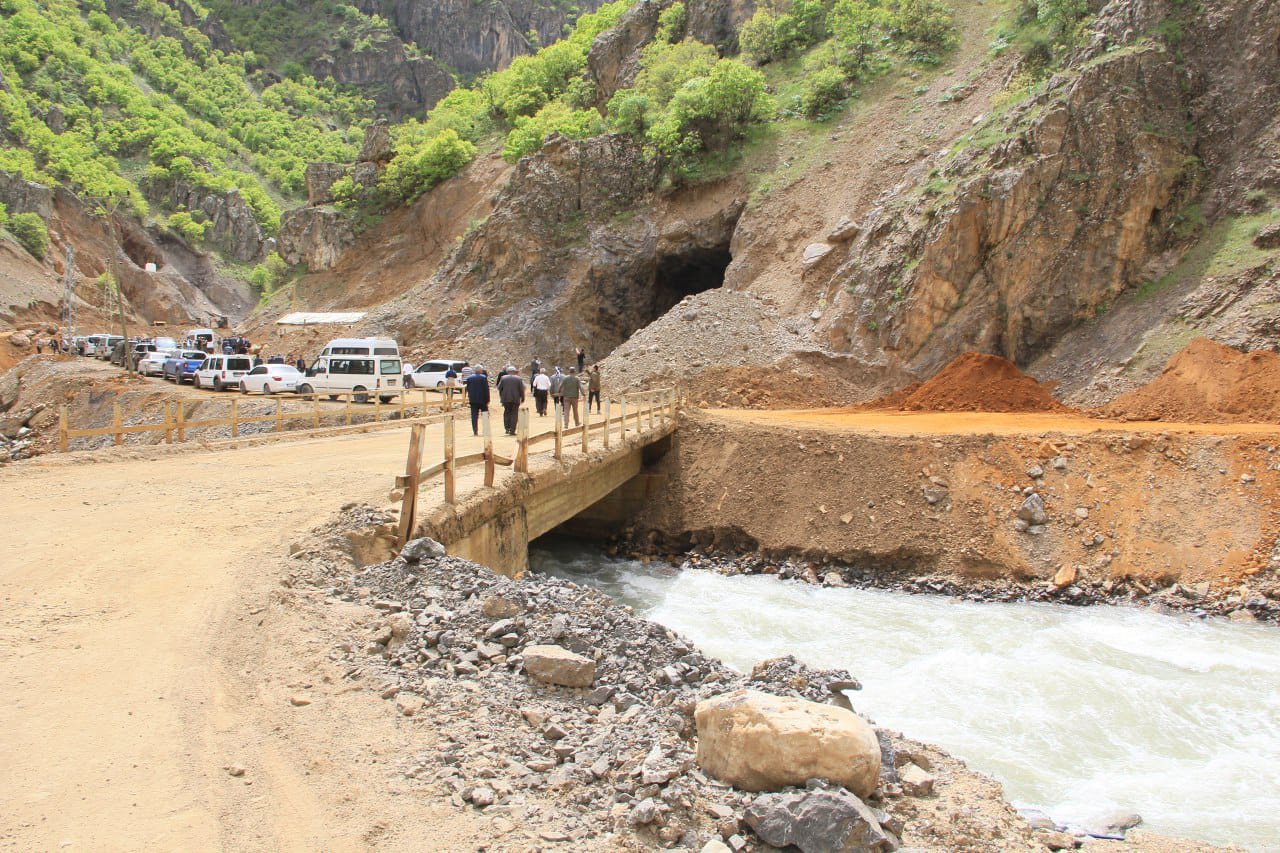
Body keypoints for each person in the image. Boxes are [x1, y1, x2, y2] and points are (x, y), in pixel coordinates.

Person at [465, 364, 490, 436]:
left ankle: (475, 431)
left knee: (474, 416)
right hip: (483, 400)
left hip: (473, 400)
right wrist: (488, 399)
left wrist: (469, 397)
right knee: (485, 415)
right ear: (480, 370)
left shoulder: (469, 378)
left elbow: (468, 389)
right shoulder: (483, 377)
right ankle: (485, 430)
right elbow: (486, 389)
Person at [497, 370, 525, 435]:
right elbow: (521, 389)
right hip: (515, 399)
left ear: (508, 371)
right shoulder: (519, 379)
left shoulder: (503, 378)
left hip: (505, 399)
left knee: (506, 412)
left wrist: (501, 397)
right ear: (514, 372)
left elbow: (499, 388)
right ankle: (512, 430)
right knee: (514, 414)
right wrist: (522, 398)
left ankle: (507, 428)